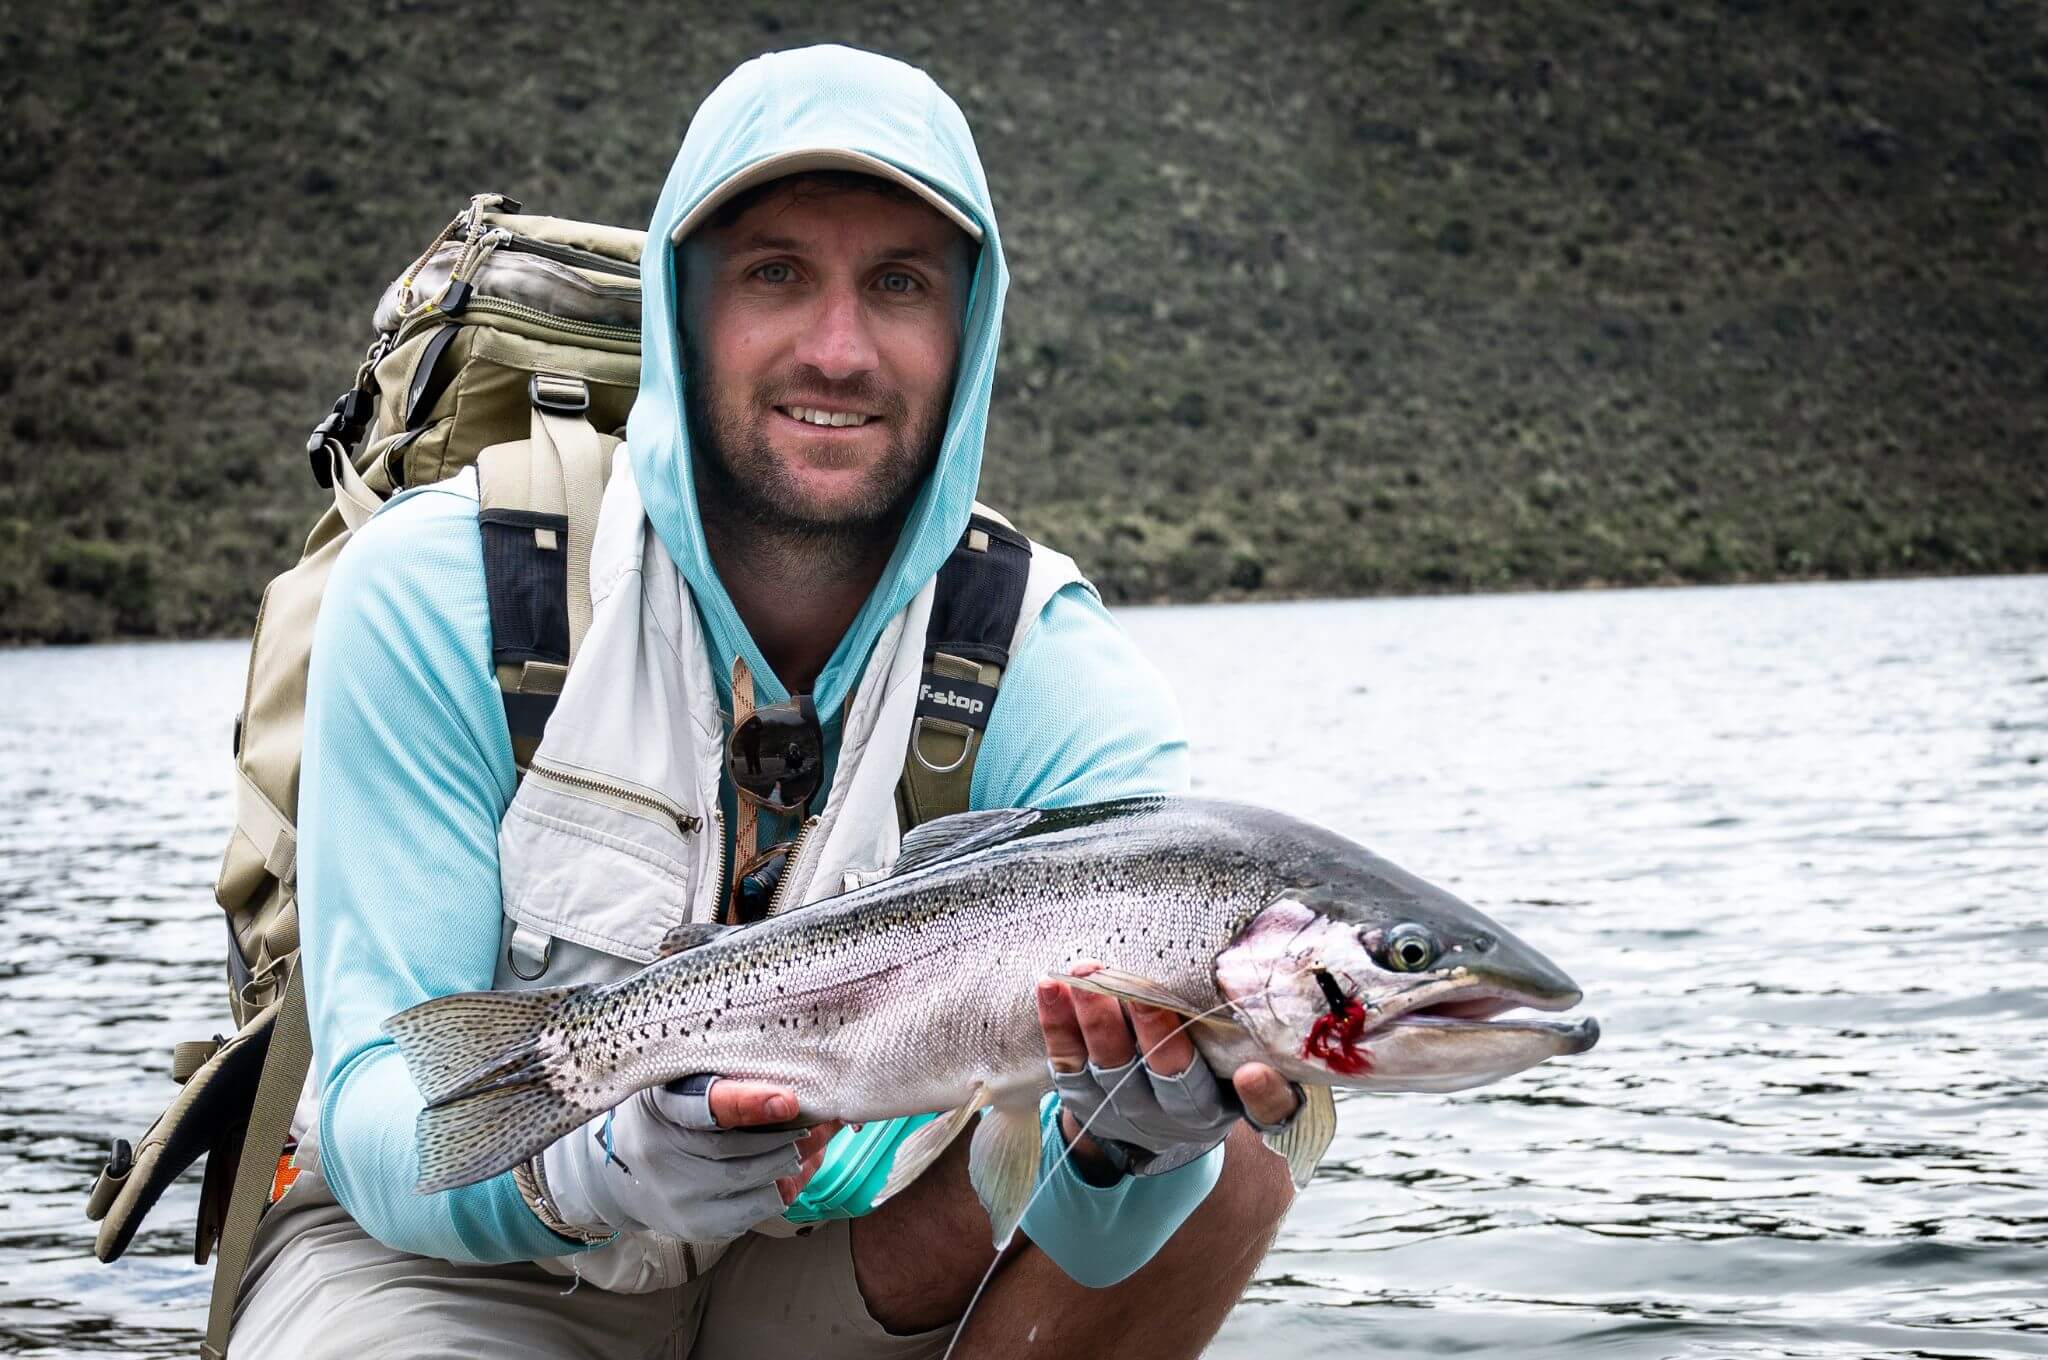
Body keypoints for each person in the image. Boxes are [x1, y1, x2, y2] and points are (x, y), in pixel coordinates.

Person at [229, 45, 1299, 1358]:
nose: (837, 350)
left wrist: (1136, 1153)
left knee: (1235, 1154)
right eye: (776, 273)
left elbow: (1096, 1238)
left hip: (819, 1258)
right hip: (449, 1272)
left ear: (970, 333)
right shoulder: (444, 591)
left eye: (901, 284)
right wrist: (595, 1167)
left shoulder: (1041, 657)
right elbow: (388, 1111)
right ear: (684, 311)